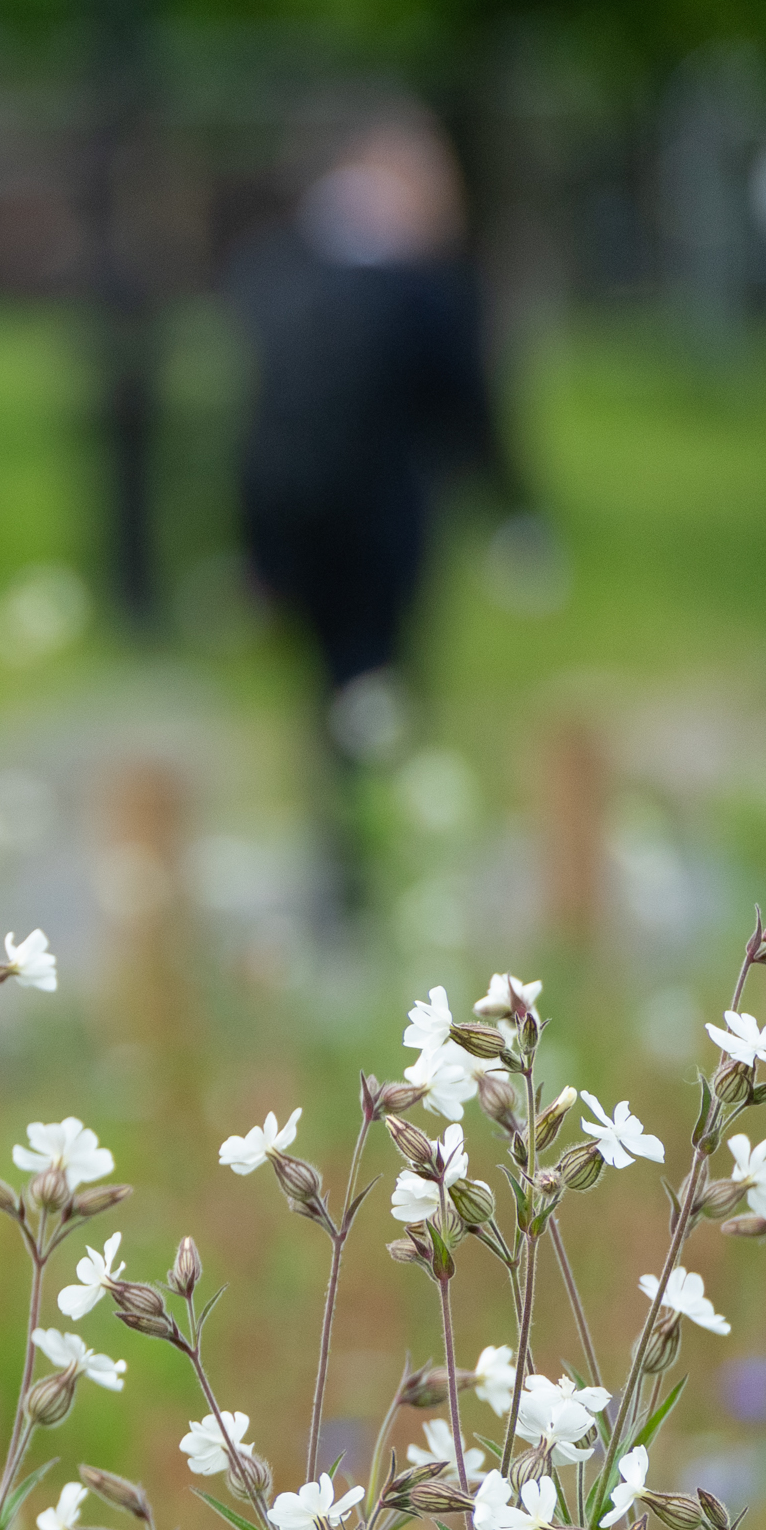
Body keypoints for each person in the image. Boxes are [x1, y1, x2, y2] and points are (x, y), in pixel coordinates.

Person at [228, 107, 546, 922]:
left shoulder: (280, 269)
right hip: (381, 526)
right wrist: (517, 514)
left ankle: (344, 864)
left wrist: (255, 552)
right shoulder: (417, 288)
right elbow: (471, 410)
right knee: (384, 691)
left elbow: (254, 422)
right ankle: (379, 871)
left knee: (327, 697)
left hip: (294, 524)